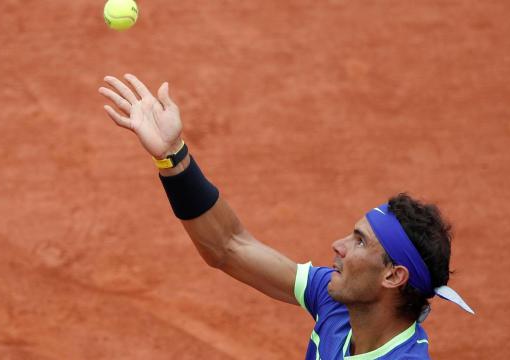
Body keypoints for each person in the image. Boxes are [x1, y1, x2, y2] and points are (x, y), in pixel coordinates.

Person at [98, 73, 474, 359]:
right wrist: (173, 156)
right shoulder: (337, 300)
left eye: (359, 241)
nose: (338, 246)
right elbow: (228, 246)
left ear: (393, 275)